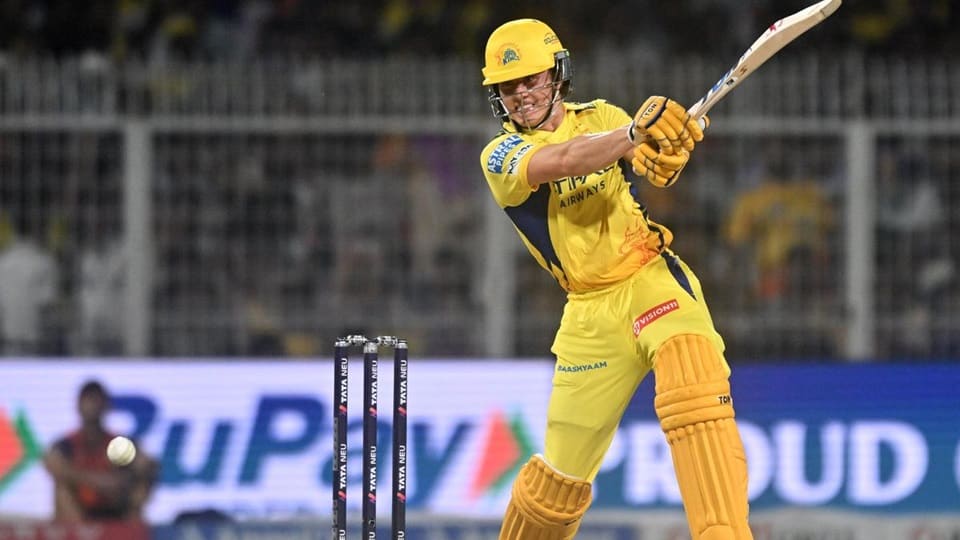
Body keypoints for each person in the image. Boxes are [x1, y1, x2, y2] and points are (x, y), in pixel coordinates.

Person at [479, 19, 753, 540]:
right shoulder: (499, 155)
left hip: (649, 277)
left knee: (692, 379)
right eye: (508, 87)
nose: (521, 95)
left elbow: (647, 162)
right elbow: (562, 159)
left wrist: (665, 151)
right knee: (555, 486)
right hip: (588, 315)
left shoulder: (602, 116)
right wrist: (632, 135)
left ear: (557, 74)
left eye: (531, 80)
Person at [42, 380, 158, 523]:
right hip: (80, 510)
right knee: (62, 489)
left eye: (97, 401)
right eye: (89, 401)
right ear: (78, 405)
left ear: (106, 407)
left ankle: (131, 531)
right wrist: (100, 483)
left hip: (114, 507)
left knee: (141, 486)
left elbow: (148, 464)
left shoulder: (119, 443)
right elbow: (52, 464)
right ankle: (80, 533)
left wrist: (126, 479)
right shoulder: (67, 444)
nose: (93, 407)